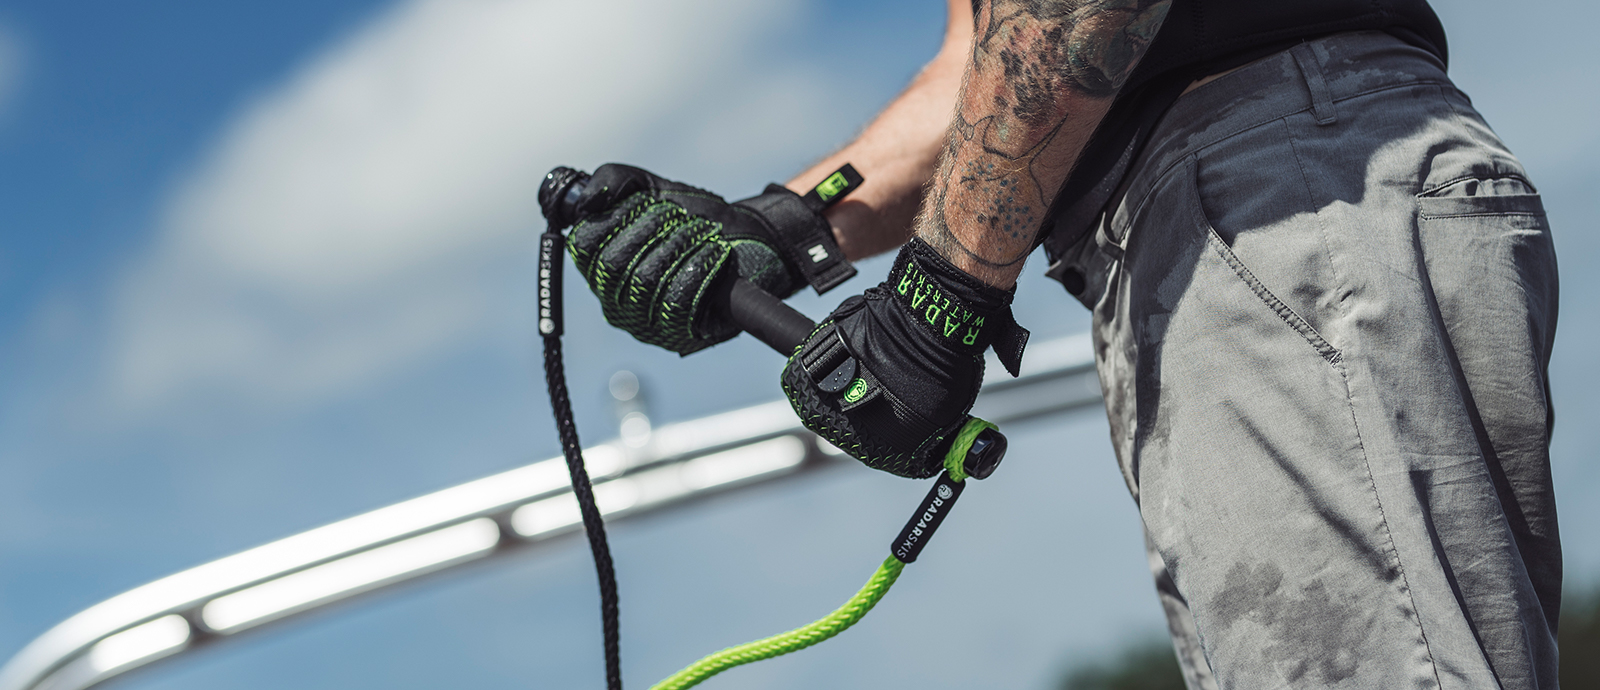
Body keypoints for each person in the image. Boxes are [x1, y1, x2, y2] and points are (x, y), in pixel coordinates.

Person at [554, 0, 1561, 686]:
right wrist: (781, 228)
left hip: (1267, 185)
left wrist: (942, 295)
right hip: (1212, 215)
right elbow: (987, 65)